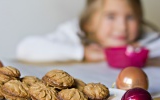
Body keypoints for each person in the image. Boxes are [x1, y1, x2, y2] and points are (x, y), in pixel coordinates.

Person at [16, 0, 160, 62]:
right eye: (111, 17)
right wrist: (82, 53)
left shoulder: (144, 38)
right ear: (88, 23)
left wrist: (140, 53)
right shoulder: (72, 33)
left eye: (130, 17)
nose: (122, 27)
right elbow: (25, 48)